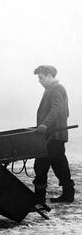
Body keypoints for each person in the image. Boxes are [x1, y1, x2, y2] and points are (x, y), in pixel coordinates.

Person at [33, 65, 75, 205]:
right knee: (59, 164)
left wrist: (45, 124)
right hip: (56, 135)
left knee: (41, 164)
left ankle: (39, 198)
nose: (39, 80)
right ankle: (68, 194)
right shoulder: (51, 89)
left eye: (41, 77)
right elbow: (65, 112)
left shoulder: (56, 88)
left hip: (53, 136)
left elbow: (56, 109)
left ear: (50, 75)